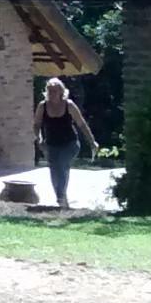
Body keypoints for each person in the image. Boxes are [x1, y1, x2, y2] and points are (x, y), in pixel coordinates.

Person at [34, 77, 98, 210]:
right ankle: (62, 199)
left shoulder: (68, 105)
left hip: (70, 143)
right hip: (51, 144)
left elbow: (82, 124)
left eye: (54, 91)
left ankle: (61, 196)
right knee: (54, 169)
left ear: (61, 92)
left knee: (62, 164)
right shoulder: (42, 106)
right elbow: (36, 124)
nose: (52, 94)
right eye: (49, 91)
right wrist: (39, 138)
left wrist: (92, 142)